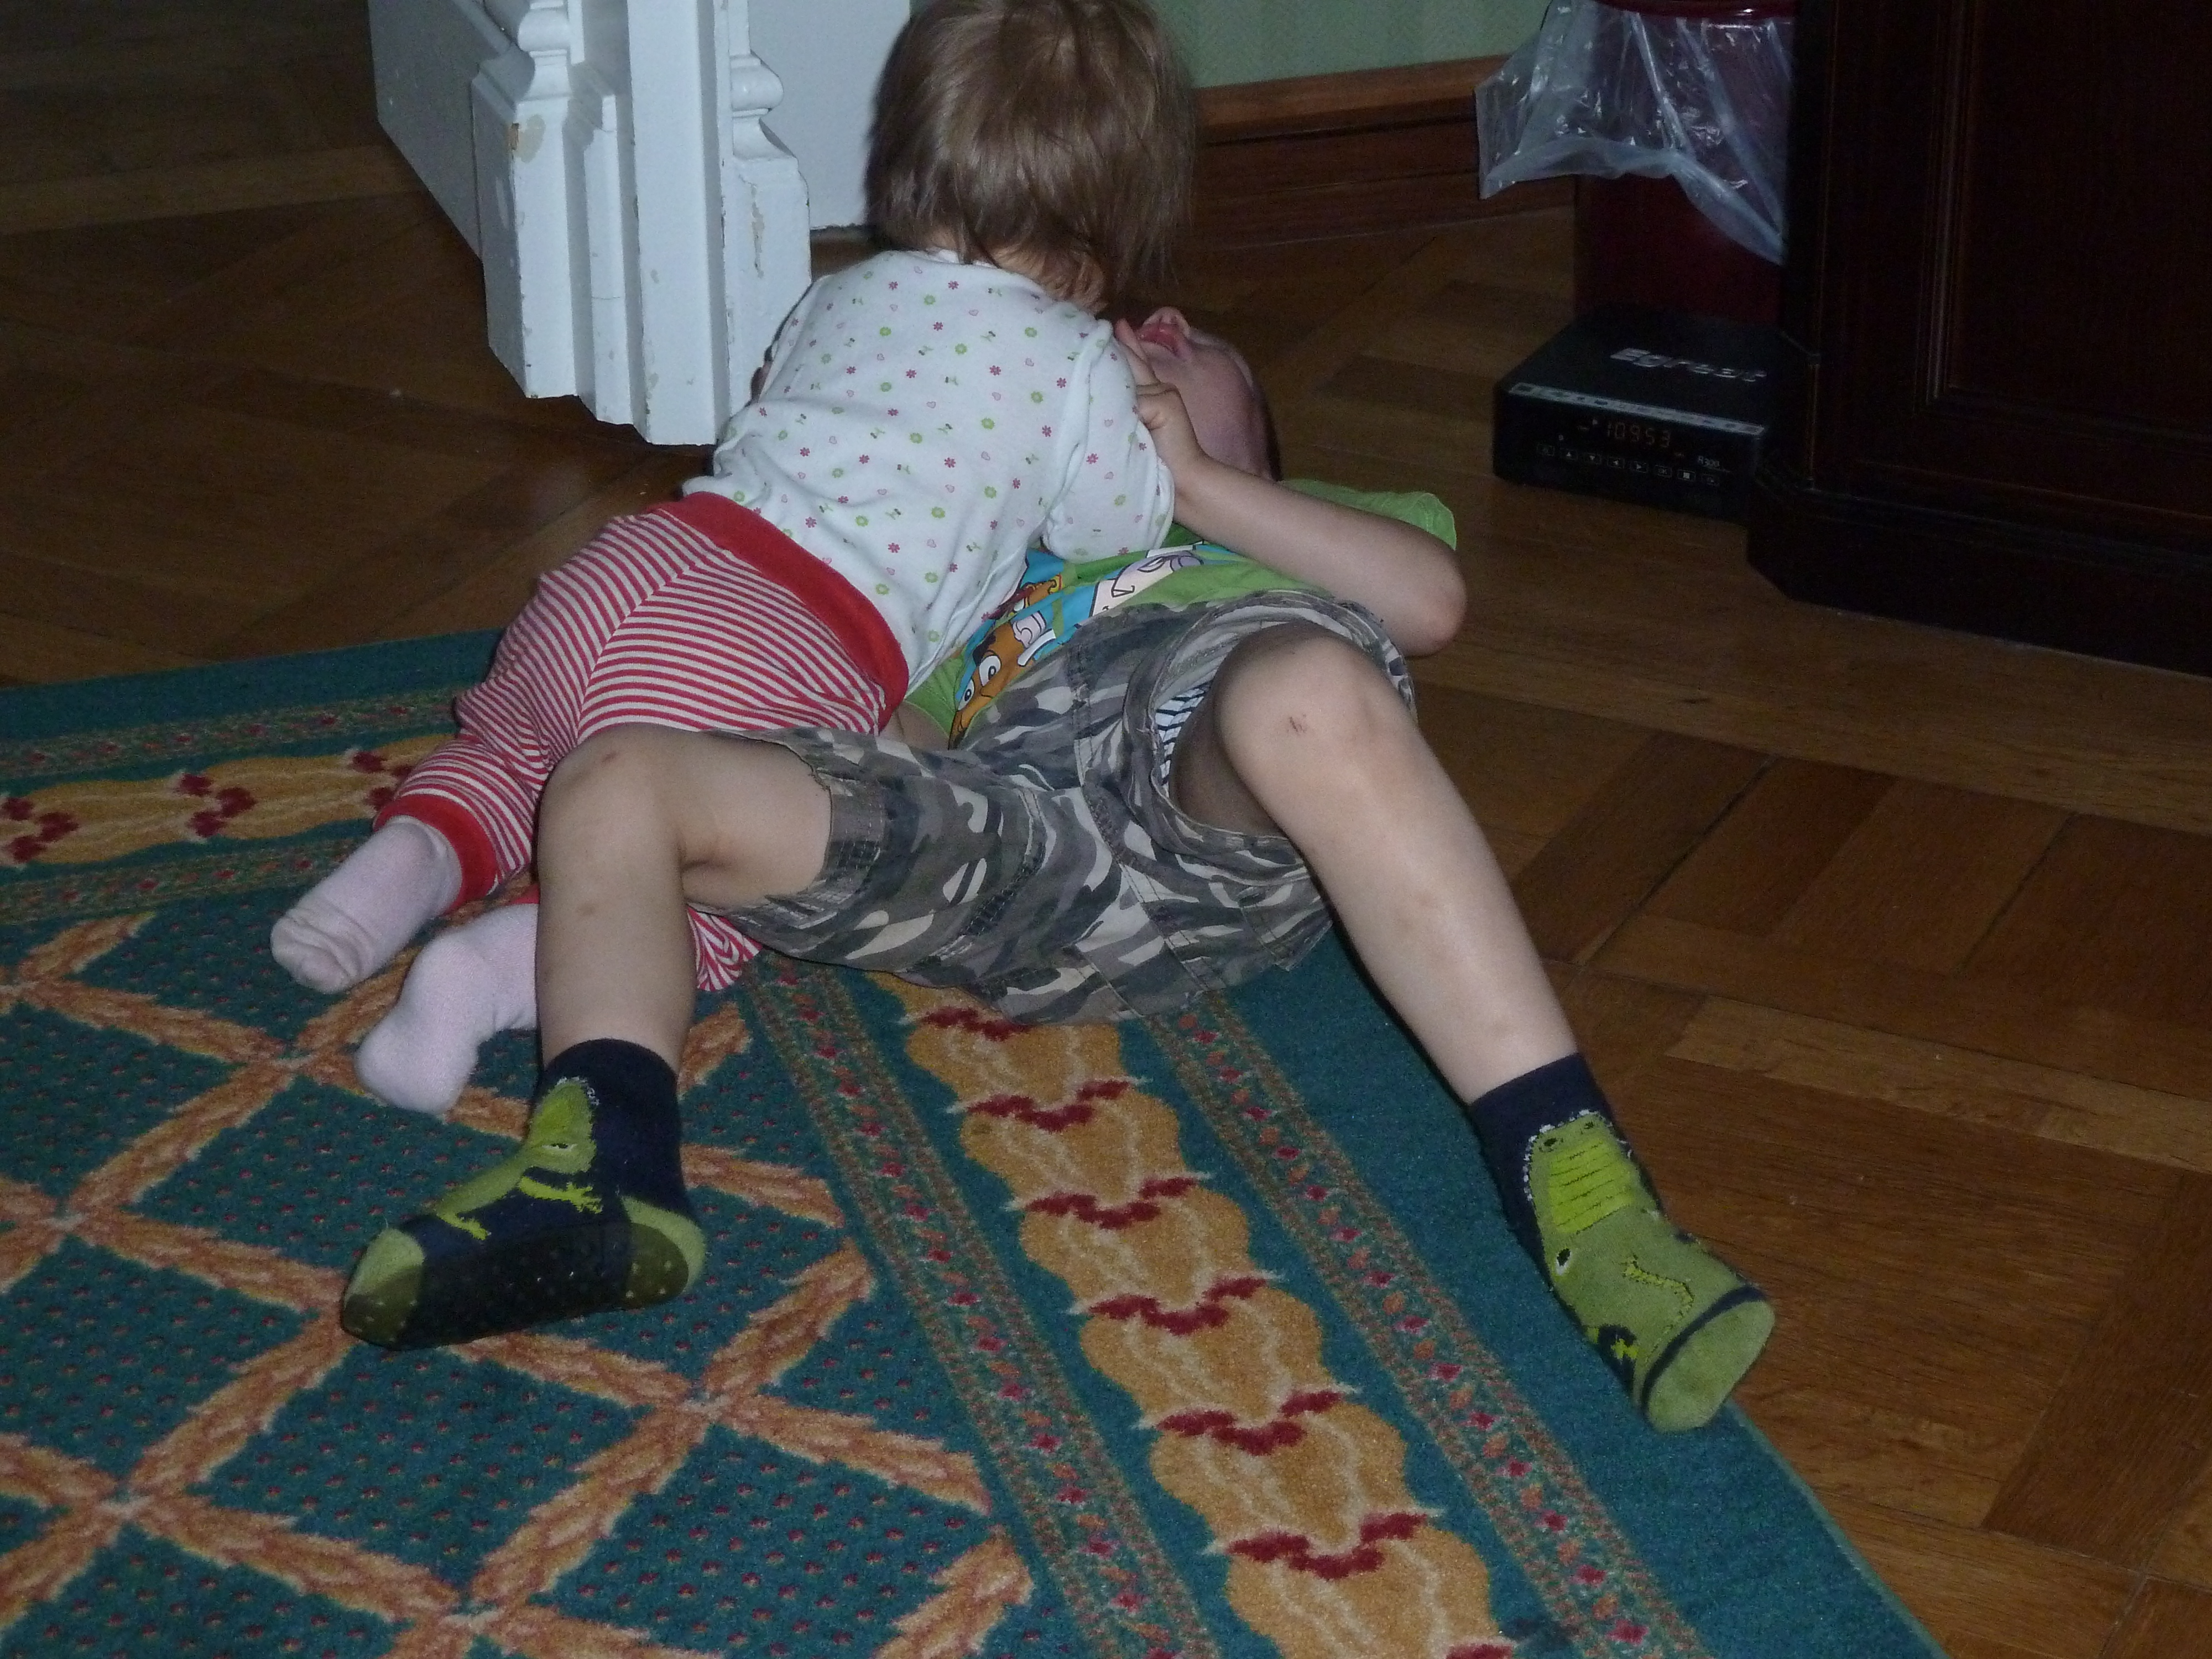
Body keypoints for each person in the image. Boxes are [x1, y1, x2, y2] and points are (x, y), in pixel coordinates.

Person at [337, 310, 1774, 1432]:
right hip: (1021, 861)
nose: (1150, 332)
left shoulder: (1316, 518)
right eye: (1114, 341)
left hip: (1212, 794)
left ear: (1262, 442)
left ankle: (1578, 1190)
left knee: (1306, 689)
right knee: (617, 776)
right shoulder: (980, 571)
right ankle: (603, 1167)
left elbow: (1432, 604)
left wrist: (1201, 486)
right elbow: (881, 744)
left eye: (1191, 344)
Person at [268, 0, 1191, 1001]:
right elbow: (1114, 527)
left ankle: (404, 863)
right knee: (729, 877)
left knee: (513, 755)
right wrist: (1153, 427)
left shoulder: (838, 292)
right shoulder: (1077, 362)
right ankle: (497, 970)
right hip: (775, 654)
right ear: (1124, 215)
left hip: (632, 567)